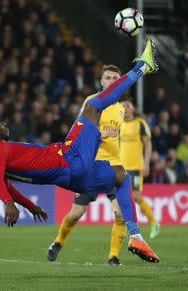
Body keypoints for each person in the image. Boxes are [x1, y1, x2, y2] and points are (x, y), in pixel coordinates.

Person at [0, 39, 160, 263]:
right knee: (94, 107)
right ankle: (142, 67)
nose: (4, 123)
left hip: (73, 179)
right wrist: (8, 204)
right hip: (69, 159)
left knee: (121, 177)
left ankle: (136, 235)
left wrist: (30, 206)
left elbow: (6, 186)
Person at [47, 64, 128, 266]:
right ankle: (58, 241)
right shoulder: (92, 102)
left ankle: (113, 256)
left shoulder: (120, 108)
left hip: (114, 166)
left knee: (121, 213)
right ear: (101, 81)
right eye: (107, 78)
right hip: (91, 165)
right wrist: (102, 134)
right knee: (76, 214)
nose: (110, 81)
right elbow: (80, 131)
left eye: (114, 78)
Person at [120, 98, 160, 237]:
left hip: (136, 167)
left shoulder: (140, 123)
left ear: (133, 108)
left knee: (136, 197)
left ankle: (154, 223)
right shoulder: (118, 124)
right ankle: (124, 228)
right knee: (121, 199)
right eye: (123, 106)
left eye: (128, 106)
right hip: (121, 168)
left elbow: (148, 144)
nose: (126, 108)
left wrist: (147, 163)